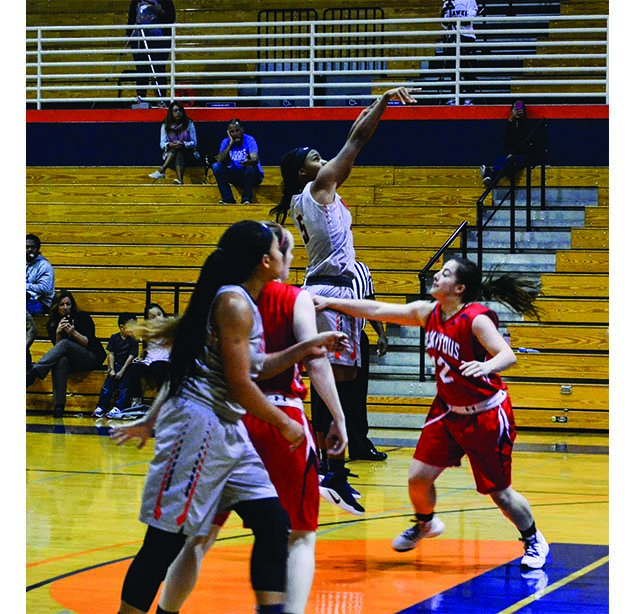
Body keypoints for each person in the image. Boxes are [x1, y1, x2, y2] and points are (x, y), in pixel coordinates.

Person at [109, 220, 348, 614]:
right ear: (264, 262)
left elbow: (255, 365)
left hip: (227, 428)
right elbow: (241, 385)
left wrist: (306, 346)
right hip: (197, 430)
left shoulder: (240, 302)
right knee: (164, 543)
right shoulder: (234, 303)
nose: (283, 254)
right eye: (278, 248)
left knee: (273, 523)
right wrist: (284, 422)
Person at [313, 256, 550, 570]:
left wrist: (486, 365)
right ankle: (425, 523)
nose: (437, 275)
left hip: (485, 414)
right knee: (418, 479)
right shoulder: (430, 312)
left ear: (459, 288)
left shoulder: (476, 319)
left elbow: (507, 355)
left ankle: (533, 538)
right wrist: (330, 301)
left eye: (446, 273)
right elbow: (379, 310)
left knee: (499, 493)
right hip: (448, 410)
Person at [270, 87, 417, 511]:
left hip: (337, 289)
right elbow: (357, 139)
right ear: (303, 172)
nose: (321, 156)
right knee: (327, 377)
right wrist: (385, 101)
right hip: (328, 290)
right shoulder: (319, 186)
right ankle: (323, 464)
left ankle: (330, 461)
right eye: (312, 155)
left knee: (343, 379)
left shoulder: (311, 193)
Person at [26, 290, 107, 418]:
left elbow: (88, 342)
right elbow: (57, 350)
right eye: (62, 305)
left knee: (65, 343)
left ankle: (34, 373)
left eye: (68, 304)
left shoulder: (83, 317)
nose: (65, 308)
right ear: (56, 307)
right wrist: (58, 333)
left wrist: (74, 333)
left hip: (91, 356)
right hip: (70, 361)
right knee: (60, 360)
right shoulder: (52, 323)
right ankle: (59, 406)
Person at [92, 313, 140, 419]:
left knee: (124, 388)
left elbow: (131, 357)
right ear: (122, 327)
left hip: (127, 368)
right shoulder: (114, 338)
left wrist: (122, 371)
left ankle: (119, 407)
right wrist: (112, 369)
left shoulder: (133, 340)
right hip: (116, 366)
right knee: (107, 387)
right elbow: (111, 354)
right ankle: (101, 407)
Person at [127, 0, 176, 100]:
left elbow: (171, 19)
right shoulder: (136, 1)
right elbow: (131, 19)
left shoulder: (166, 1)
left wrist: (160, 11)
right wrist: (130, 36)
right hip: (139, 40)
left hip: (159, 40)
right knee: (141, 71)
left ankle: (161, 99)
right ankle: (141, 99)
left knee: (159, 70)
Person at [212, 118, 264, 204]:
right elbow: (220, 159)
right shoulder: (226, 142)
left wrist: (248, 162)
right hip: (237, 174)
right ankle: (228, 199)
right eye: (232, 132)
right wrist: (230, 143)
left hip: (253, 175)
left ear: (242, 130)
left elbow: (255, 158)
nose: (235, 134)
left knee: (250, 167)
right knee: (216, 166)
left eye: (237, 130)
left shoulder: (249, 139)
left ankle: (246, 199)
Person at [480, 100, 531, 187]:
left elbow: (525, 142)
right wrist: (510, 121)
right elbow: (505, 137)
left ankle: (490, 174)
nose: (518, 111)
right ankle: (491, 178)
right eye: (516, 109)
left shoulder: (527, 125)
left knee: (510, 162)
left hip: (521, 156)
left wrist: (513, 154)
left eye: (520, 109)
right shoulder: (509, 125)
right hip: (508, 156)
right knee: (501, 160)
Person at [439, 0, 481, 105]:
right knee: (452, 69)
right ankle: (455, 95)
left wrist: (454, 21)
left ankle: (470, 95)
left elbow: (469, 19)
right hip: (451, 38)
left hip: (466, 37)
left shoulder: (469, 1)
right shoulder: (448, 2)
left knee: (466, 68)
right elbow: (444, 22)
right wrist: (444, 13)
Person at [148, 101, 199, 185]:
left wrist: (183, 144)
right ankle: (180, 180)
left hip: (189, 154)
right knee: (176, 149)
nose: (178, 113)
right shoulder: (165, 125)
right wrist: (169, 144)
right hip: (170, 156)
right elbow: (162, 144)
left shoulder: (189, 123)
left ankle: (162, 170)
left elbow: (194, 142)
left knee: (179, 149)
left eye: (180, 110)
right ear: (171, 113)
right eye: (175, 111)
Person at [26, 233, 55, 367]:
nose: (28, 250)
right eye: (26, 247)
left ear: (38, 249)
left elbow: (44, 288)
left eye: (32, 247)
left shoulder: (44, 266)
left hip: (41, 303)